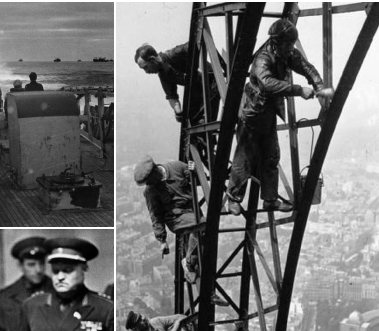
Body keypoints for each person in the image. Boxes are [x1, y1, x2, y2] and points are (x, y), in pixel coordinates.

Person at [225, 19, 328, 215]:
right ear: (276, 42)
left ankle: (270, 200)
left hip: (268, 114)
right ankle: (233, 198)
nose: (291, 49)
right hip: (253, 116)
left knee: (271, 156)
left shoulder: (285, 52)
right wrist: (299, 90)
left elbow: (306, 67)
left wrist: (319, 86)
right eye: (288, 44)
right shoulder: (263, 59)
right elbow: (267, 84)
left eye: (292, 44)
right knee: (244, 160)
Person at [134, 156, 227, 306]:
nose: (149, 184)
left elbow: (197, 181)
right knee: (204, 229)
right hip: (176, 219)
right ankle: (189, 262)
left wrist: (195, 171)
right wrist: (162, 240)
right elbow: (156, 215)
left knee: (204, 251)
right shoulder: (151, 191)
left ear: (156, 170)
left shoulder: (177, 167)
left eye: (149, 180)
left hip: (193, 212)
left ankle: (207, 291)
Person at [134, 42, 220, 127]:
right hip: (198, 90)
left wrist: (210, 62)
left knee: (202, 122)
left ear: (152, 59)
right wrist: (178, 112)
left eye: (146, 67)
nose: (146, 72)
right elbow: (172, 97)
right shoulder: (163, 76)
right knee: (194, 123)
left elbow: (197, 42)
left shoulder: (173, 54)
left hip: (212, 81)